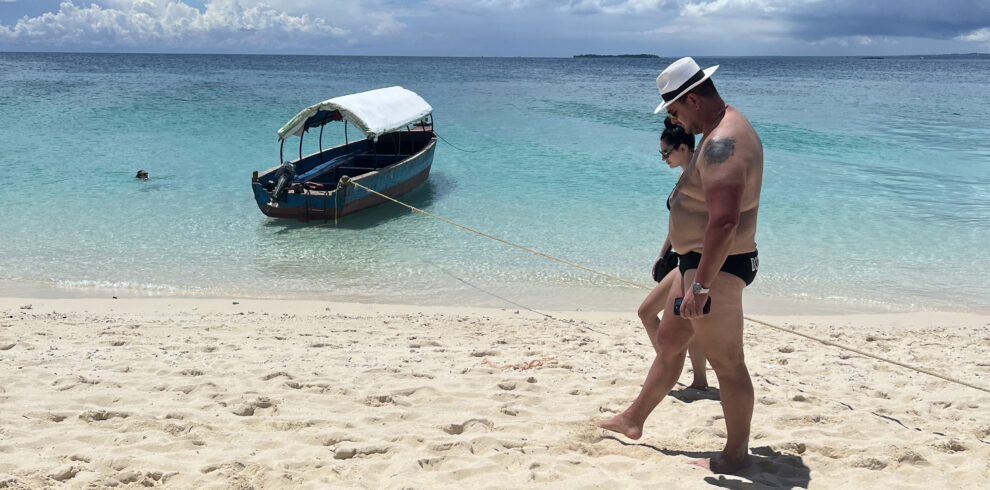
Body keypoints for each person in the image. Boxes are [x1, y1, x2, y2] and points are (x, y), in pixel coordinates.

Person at [601, 57, 763, 474]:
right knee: (671, 341)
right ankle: (634, 419)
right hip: (695, 264)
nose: (674, 120)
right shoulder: (717, 132)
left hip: (719, 269)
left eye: (674, 111)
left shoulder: (724, 142)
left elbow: (725, 220)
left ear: (692, 98)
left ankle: (736, 455)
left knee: (728, 363)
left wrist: (702, 286)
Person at [638, 117, 710, 391]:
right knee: (649, 313)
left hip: (696, 260)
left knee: (686, 322)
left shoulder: (700, 175)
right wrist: (661, 254)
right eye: (661, 154)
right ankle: (687, 375)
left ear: (683, 147)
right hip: (681, 259)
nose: (663, 159)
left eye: (666, 153)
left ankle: (674, 371)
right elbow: (679, 221)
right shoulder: (684, 176)